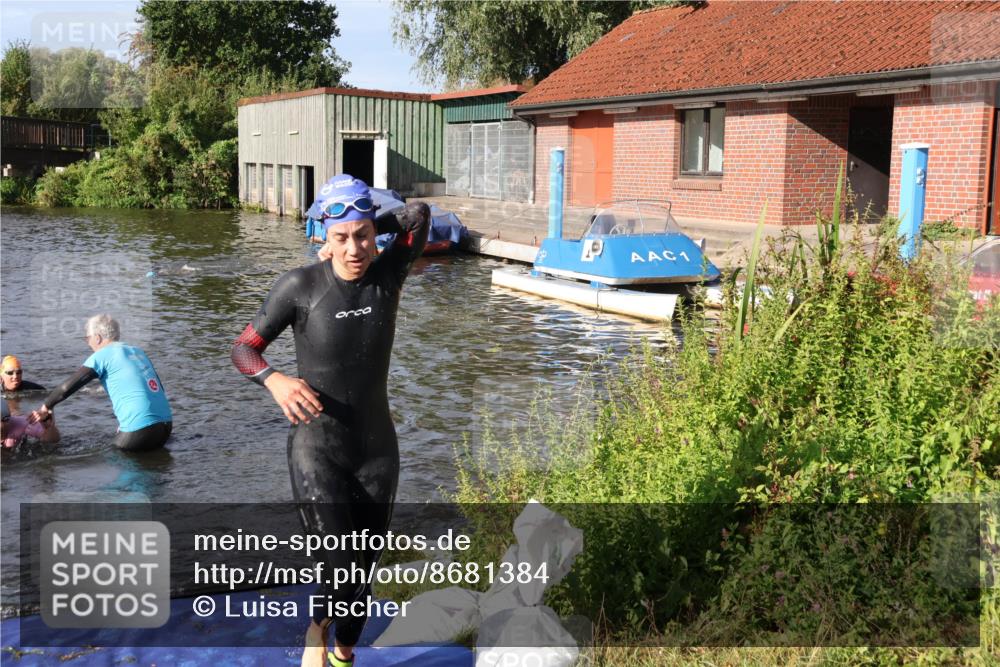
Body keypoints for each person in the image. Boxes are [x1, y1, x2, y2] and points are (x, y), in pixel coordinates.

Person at [231, 174, 429, 667]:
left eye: (362, 235)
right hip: (317, 449)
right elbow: (243, 349)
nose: (355, 248)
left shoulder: (389, 274)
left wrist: (361, 221)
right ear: (322, 235)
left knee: (362, 575)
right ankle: (316, 630)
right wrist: (274, 380)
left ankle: (342, 653)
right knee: (339, 566)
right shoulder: (300, 286)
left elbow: (418, 213)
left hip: (377, 450)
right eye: (341, 238)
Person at [31, 315, 173, 452]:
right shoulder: (137, 352)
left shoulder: (102, 355)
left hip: (140, 428)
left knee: (114, 462)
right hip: (166, 426)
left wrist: (47, 405)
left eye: (87, 338)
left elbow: (66, 388)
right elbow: (157, 388)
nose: (88, 343)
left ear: (97, 338)